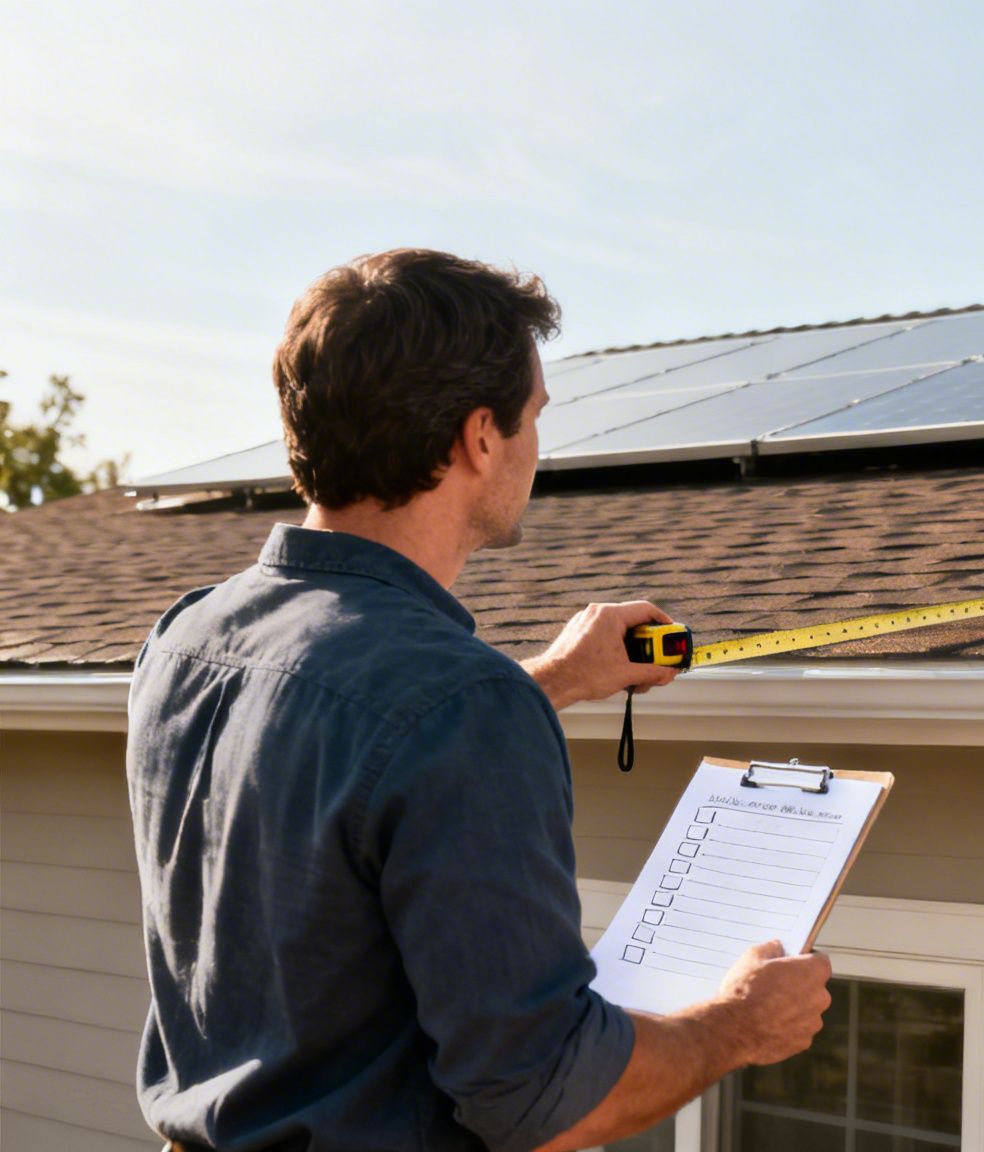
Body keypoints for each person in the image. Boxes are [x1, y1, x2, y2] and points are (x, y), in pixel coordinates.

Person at [126, 249, 832, 1152]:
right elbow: (543, 1098)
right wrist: (738, 1023)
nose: (537, 443)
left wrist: (558, 676)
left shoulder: (187, 639)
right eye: (534, 415)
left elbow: (340, 766)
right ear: (478, 438)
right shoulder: (458, 709)